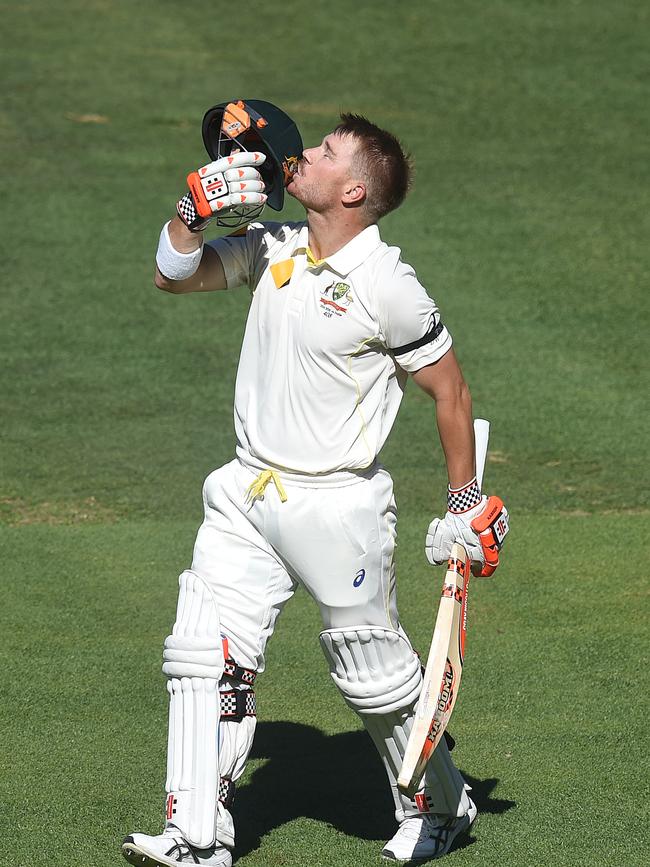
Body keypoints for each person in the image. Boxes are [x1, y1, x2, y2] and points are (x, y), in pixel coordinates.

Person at [122, 100, 509, 867]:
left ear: (356, 191)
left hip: (339, 505)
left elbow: (451, 391)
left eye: (329, 152)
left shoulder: (388, 284)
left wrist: (467, 502)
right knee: (203, 655)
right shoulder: (273, 245)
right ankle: (197, 836)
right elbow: (175, 277)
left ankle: (439, 801)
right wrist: (187, 219)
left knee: (374, 674)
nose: (306, 155)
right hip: (245, 493)